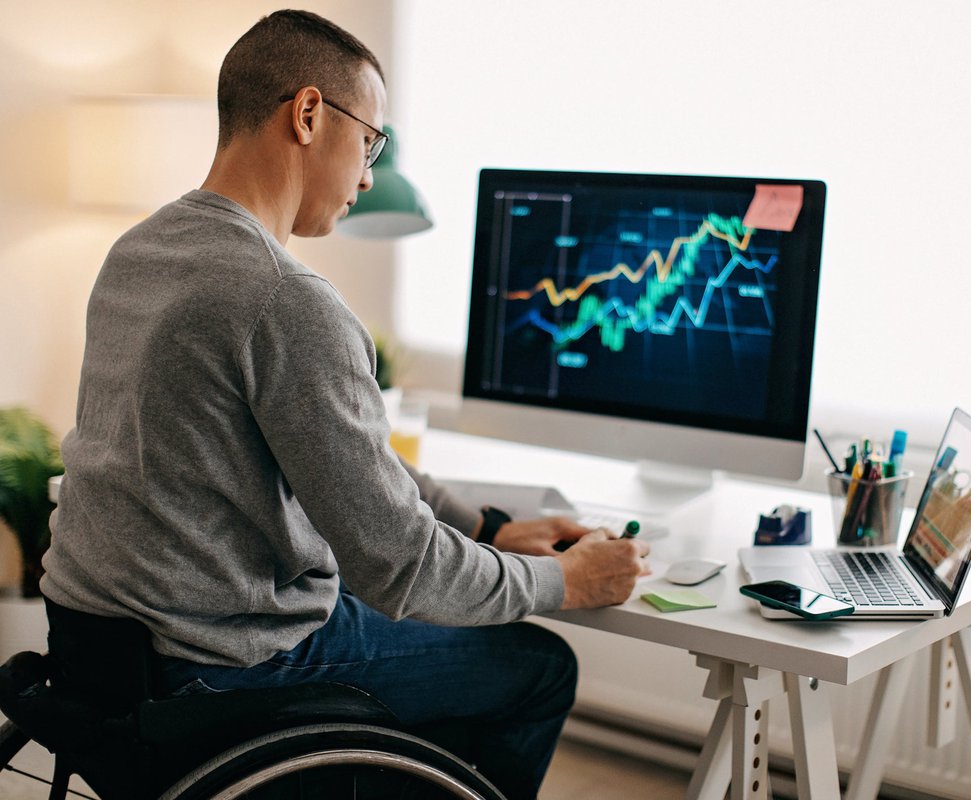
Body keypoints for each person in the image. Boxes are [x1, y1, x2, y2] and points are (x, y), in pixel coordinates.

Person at [40, 10, 649, 799]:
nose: (368, 176)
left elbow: (340, 454)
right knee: (537, 665)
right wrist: (571, 581)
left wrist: (489, 528)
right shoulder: (284, 299)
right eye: (370, 143)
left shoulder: (142, 251)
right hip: (218, 670)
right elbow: (403, 569)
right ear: (307, 114)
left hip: (96, 655)